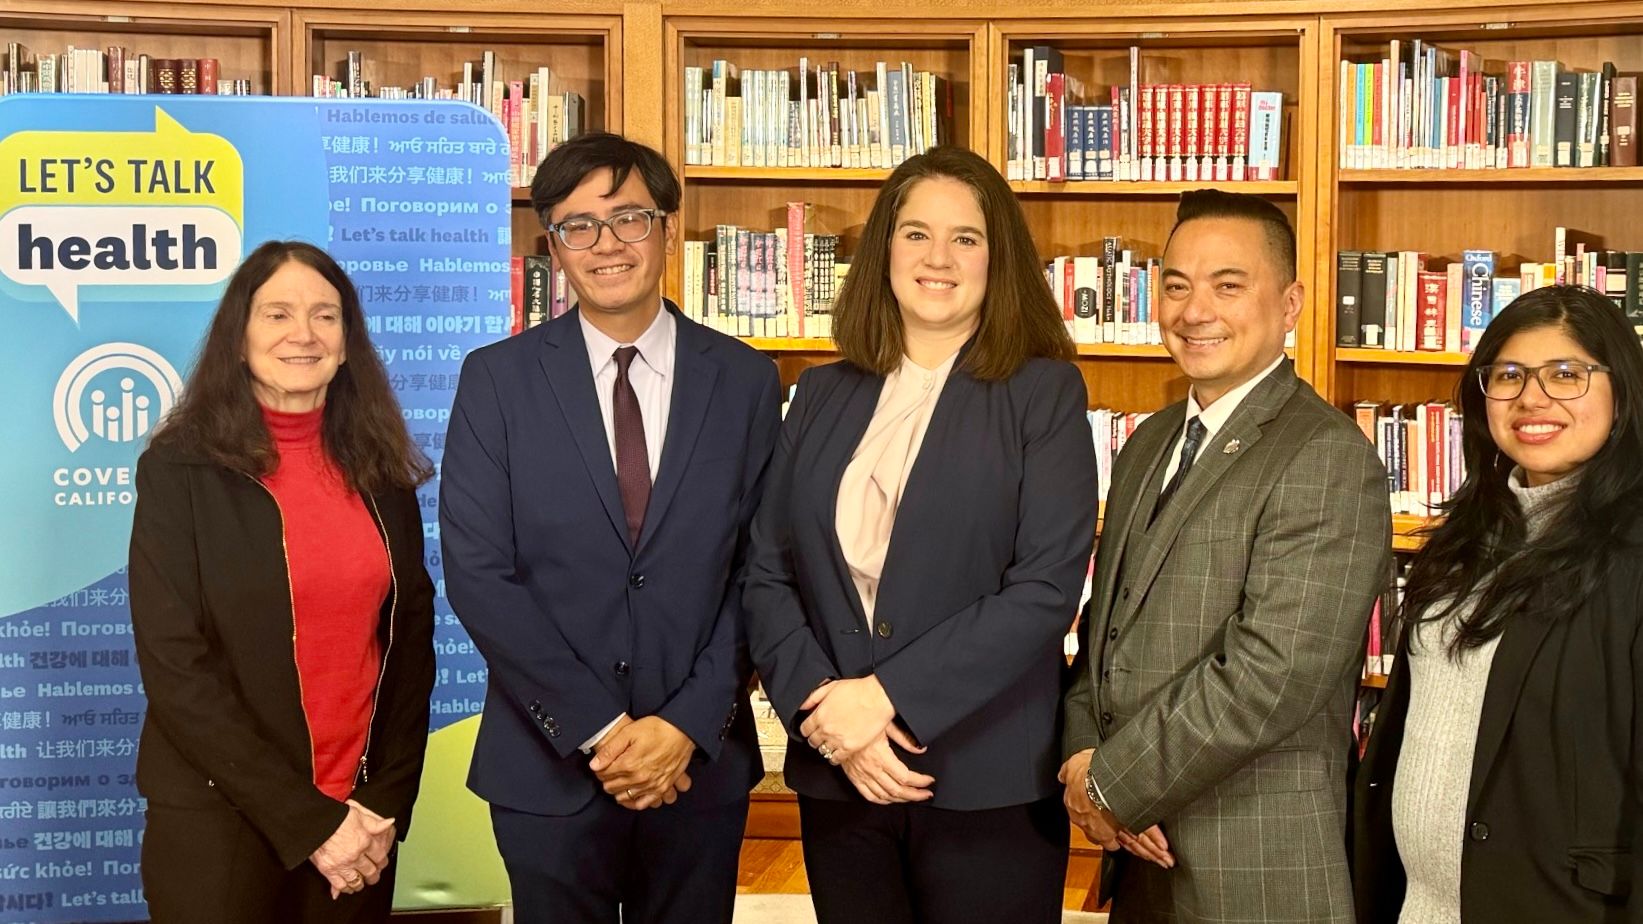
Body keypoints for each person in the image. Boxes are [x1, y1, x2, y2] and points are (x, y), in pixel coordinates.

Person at [742, 145, 1099, 924]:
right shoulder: (820, 393)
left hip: (983, 774)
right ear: (883, 251)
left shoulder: (1042, 392)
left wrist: (884, 701)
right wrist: (826, 712)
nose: (938, 258)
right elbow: (767, 574)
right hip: (837, 769)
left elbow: (1043, 591)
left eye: (965, 238)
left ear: (996, 259)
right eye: (915, 234)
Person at [439, 132, 781, 924]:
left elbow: (762, 570)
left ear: (667, 225)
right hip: (546, 767)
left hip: (697, 765)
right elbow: (478, 574)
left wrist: (686, 725)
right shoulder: (496, 380)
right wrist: (600, 730)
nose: (607, 245)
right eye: (577, 226)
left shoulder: (745, 380)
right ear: (552, 246)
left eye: (628, 217)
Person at [1060, 189, 1392, 923]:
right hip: (1137, 853)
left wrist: (1112, 781)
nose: (1192, 309)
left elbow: (1271, 675)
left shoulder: (1327, 458)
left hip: (1254, 866)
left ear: (1290, 303)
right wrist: (1082, 758)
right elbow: (1103, 634)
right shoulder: (1148, 442)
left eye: (1227, 285)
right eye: (1175, 285)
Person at [128, 240, 436, 923]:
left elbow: (410, 649)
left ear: (348, 342)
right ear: (237, 340)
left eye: (325, 316)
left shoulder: (383, 475)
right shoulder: (180, 474)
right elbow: (177, 667)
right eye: (277, 314)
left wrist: (383, 805)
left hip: (359, 825)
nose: (304, 333)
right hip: (222, 820)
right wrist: (308, 823)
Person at [1351, 285, 1643, 923]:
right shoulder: (1461, 543)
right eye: (1508, 375)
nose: (1532, 398)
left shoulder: (1632, 556)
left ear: (1621, 391)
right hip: (1418, 906)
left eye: (1566, 374)